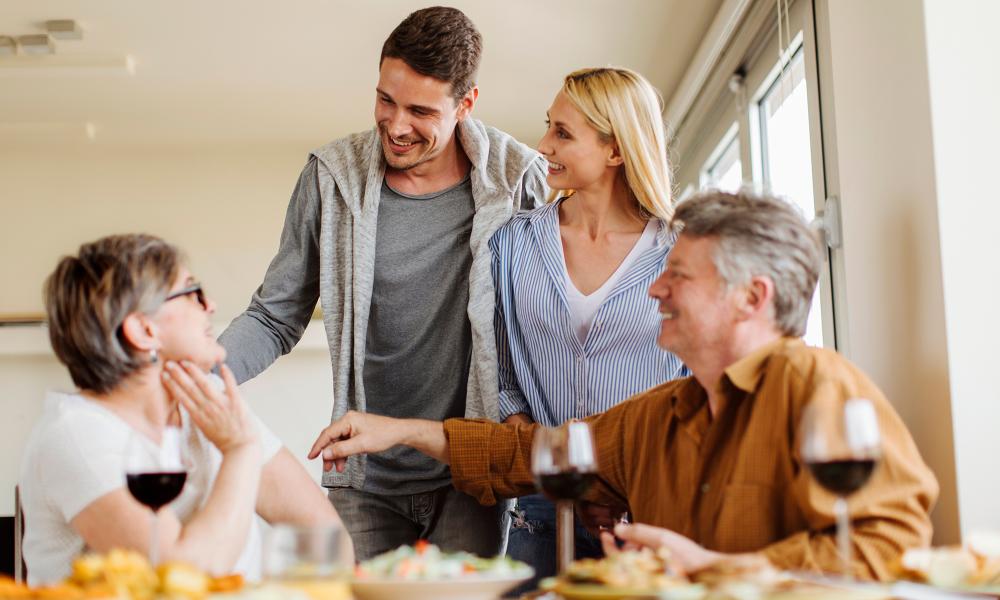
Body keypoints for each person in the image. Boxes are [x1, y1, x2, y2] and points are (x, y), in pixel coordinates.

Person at [309, 190, 939, 580]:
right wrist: (396, 430)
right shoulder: (660, 413)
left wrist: (717, 570)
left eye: (678, 278)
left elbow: (891, 549)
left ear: (752, 296)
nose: (655, 290)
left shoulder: (818, 386)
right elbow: (534, 455)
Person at [217, 6, 547, 560]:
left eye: (420, 111)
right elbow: (275, 316)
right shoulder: (330, 178)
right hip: (363, 476)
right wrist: (205, 372)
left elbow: (551, 328)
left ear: (466, 104)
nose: (396, 126)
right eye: (385, 100)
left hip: (471, 476)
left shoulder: (519, 181)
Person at [19, 234, 347, 586]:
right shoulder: (79, 435)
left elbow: (327, 539)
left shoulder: (210, 400)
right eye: (192, 293)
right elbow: (179, 581)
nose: (211, 306)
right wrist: (240, 452)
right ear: (144, 330)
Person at [491, 67, 685, 586]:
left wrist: (618, 484)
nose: (542, 144)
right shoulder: (512, 244)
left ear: (616, 151)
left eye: (563, 133)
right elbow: (504, 378)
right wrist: (561, 472)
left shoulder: (678, 251)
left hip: (647, 507)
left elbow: (692, 383)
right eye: (549, 126)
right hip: (540, 506)